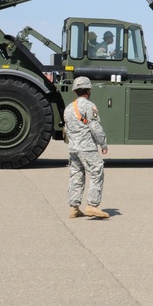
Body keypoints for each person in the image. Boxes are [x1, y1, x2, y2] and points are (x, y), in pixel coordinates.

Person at [64, 76, 110, 219]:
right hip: (87, 147)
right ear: (88, 90)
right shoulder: (89, 106)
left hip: (73, 148)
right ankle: (92, 205)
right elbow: (94, 126)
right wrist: (103, 143)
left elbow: (66, 129)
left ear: (75, 91)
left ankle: (74, 208)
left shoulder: (68, 108)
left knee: (76, 175)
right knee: (97, 171)